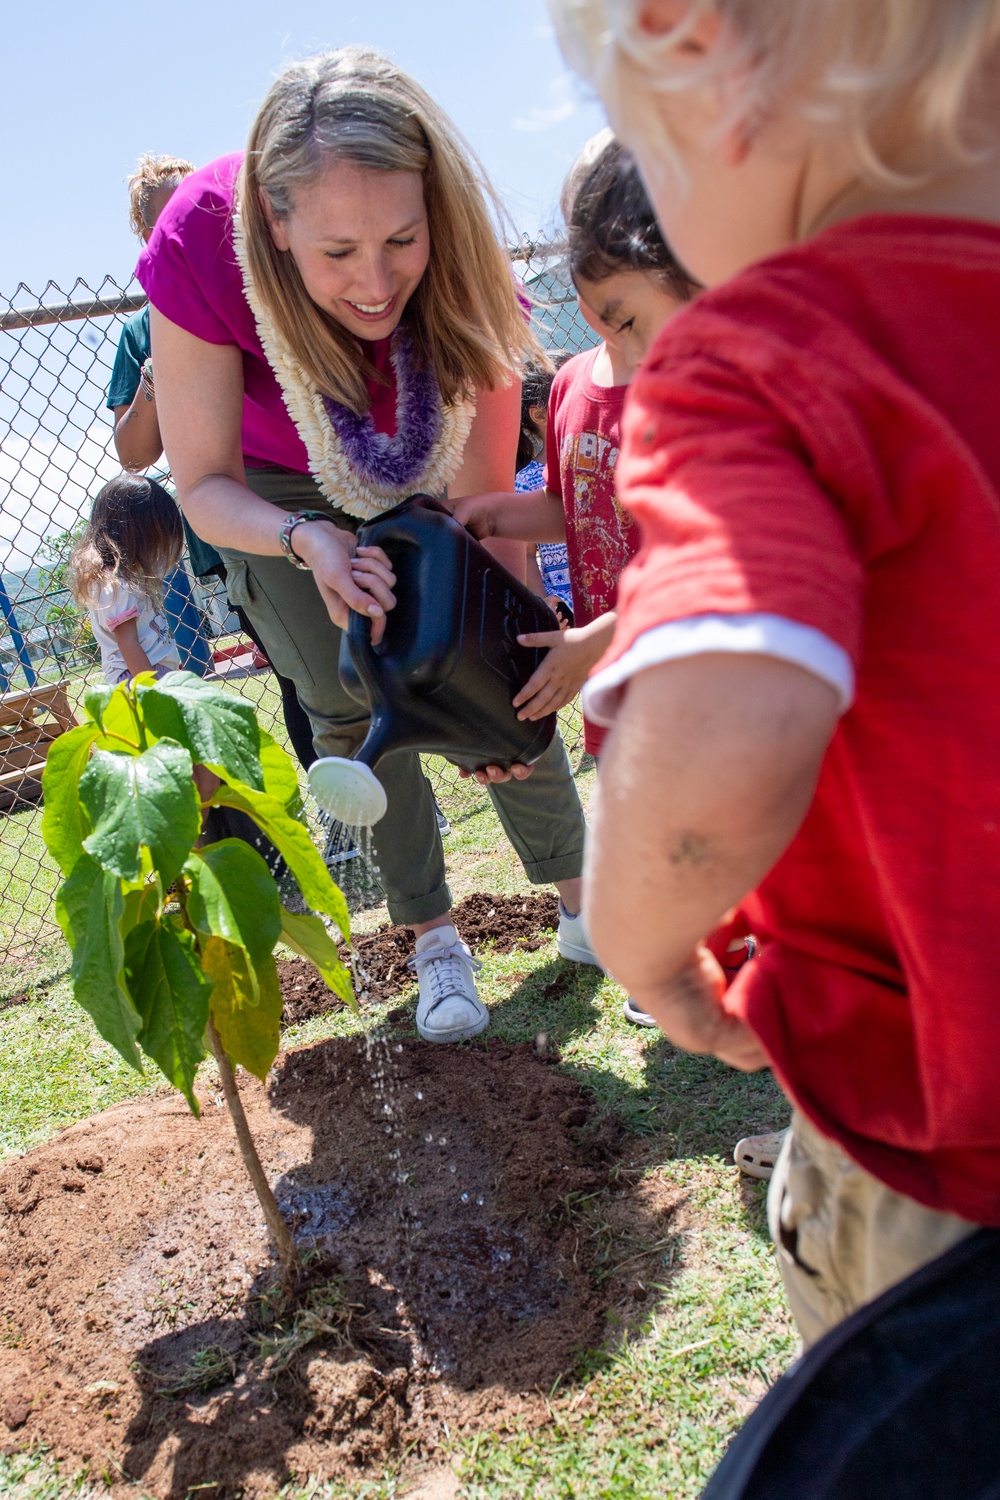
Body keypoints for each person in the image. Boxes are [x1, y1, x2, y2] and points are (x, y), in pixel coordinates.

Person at [548, 0, 1000, 1345]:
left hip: (944, 1159)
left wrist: (645, 947)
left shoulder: (765, 359)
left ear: (690, 43)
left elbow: (723, 731)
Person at [139, 47, 592, 1046]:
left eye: (401, 239)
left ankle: (586, 911)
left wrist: (505, 685)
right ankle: (433, 940)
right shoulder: (202, 243)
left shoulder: (465, 277)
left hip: (430, 452)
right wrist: (308, 543)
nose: (377, 283)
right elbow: (204, 482)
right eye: (338, 252)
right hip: (278, 487)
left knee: (504, 670)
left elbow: (479, 505)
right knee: (352, 698)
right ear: (275, 223)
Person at [453, 131, 700, 1017]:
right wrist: (489, 514)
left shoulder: (701, 388)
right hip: (614, 663)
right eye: (594, 308)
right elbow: (573, 503)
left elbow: (705, 550)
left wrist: (597, 638)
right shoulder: (568, 389)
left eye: (625, 313)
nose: (604, 330)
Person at [107, 153, 317, 771]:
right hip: (229, 520)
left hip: (306, 490)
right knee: (296, 671)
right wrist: (157, 382)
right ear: (148, 235)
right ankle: (343, 812)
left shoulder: (271, 285)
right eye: (165, 213)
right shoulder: (143, 331)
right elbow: (134, 454)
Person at [69, 475, 182, 685]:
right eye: (155, 539)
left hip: (151, 671)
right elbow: (128, 643)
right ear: (135, 534)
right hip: (139, 678)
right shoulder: (115, 585)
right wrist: (153, 691)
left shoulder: (125, 580)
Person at [517, 359, 574, 623]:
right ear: (539, 415)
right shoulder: (526, 482)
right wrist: (545, 608)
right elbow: (527, 554)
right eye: (570, 390)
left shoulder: (597, 458)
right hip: (566, 606)